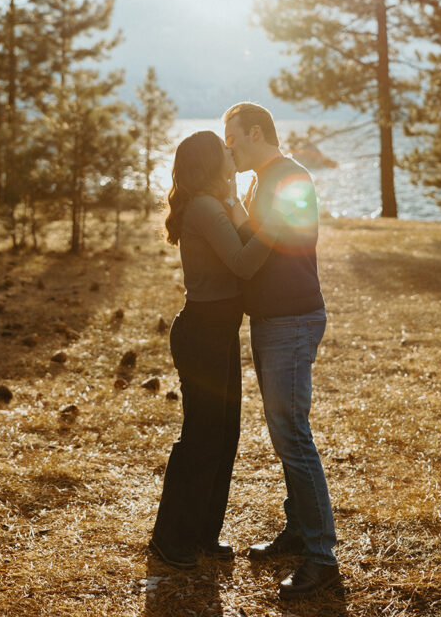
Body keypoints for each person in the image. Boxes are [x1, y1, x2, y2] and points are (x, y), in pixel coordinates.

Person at [223, 102, 339, 600]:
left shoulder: (288, 177)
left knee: (292, 433)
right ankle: (298, 532)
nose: (230, 151)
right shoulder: (262, 179)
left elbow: (270, 243)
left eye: (234, 142)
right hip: (273, 318)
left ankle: (322, 558)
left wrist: (230, 209)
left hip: (291, 319)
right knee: (283, 432)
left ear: (255, 132)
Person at [149, 129, 279, 569]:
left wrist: (239, 202)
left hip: (219, 332)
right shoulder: (204, 208)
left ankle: (203, 533)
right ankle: (169, 538)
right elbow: (243, 262)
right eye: (224, 150)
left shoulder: (215, 202)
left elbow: (241, 243)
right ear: (209, 162)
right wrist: (275, 228)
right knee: (202, 437)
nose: (232, 151)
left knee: (224, 436)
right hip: (202, 333)